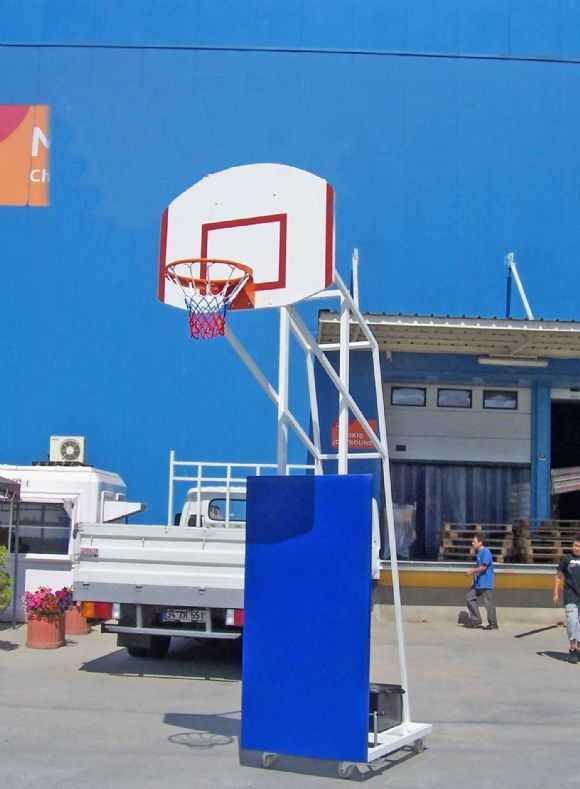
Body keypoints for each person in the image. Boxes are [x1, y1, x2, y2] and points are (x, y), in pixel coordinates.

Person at [552, 535, 580, 664]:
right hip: (570, 596)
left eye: (579, 546)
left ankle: (579, 649)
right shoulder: (566, 559)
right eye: (575, 545)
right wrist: (556, 593)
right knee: (572, 622)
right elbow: (558, 576)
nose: (577, 548)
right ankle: (573, 649)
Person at [464, 534, 498, 630]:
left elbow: (484, 567)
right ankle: (476, 621)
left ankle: (493, 624)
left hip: (486, 582)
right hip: (479, 583)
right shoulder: (479, 553)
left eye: (474, 541)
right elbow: (479, 568)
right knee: (469, 597)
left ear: (480, 542)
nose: (472, 543)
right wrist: (474, 579)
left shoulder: (486, 552)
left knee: (488, 603)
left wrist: (472, 571)